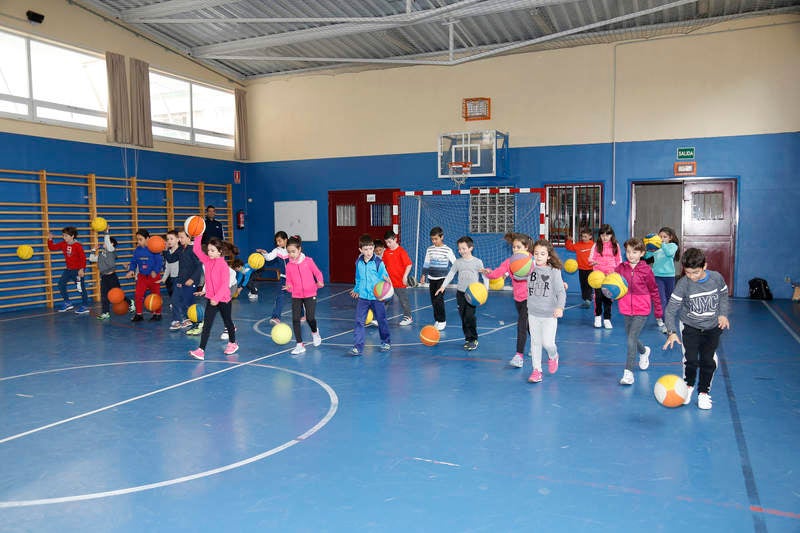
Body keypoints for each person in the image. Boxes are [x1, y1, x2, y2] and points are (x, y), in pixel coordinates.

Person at [662, 248, 730, 410]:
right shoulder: (683, 284)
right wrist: (671, 332)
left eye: (696, 272)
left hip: (712, 327)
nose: (691, 276)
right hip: (690, 326)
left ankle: (704, 393)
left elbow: (723, 296)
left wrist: (723, 314)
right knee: (691, 359)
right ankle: (689, 386)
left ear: (704, 266)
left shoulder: (716, 278)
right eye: (688, 272)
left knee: (707, 361)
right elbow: (671, 309)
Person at [615, 238, 663, 385]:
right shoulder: (621, 268)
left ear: (642, 253)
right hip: (626, 308)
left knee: (630, 340)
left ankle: (628, 373)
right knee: (632, 337)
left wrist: (658, 311)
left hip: (642, 309)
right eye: (628, 251)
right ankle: (644, 351)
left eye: (635, 252)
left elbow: (654, 290)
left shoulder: (646, 270)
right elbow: (613, 284)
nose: (631, 255)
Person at [484, 233, 534, 367]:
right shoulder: (510, 261)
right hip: (518, 298)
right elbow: (497, 273)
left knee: (521, 325)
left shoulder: (532, 261)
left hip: (531, 298)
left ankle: (519, 356)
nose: (515, 250)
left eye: (519, 247)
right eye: (514, 247)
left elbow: (545, 273)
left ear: (526, 247)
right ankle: (536, 345)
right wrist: (488, 273)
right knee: (529, 325)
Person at [189, 232, 239, 359]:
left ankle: (233, 343)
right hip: (211, 299)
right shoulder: (207, 260)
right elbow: (196, 250)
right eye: (209, 250)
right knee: (207, 325)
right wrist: (198, 235)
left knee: (228, 322)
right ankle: (201, 350)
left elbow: (224, 285)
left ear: (219, 252)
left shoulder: (223, 266)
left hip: (223, 299)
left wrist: (216, 298)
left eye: (212, 250)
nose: (209, 252)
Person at [436, 236, 489, 351]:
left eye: (464, 248)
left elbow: (484, 276)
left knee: (470, 316)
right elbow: (451, 274)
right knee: (463, 317)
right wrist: (443, 286)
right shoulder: (458, 262)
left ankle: (473, 339)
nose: (461, 251)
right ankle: (467, 338)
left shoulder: (477, 262)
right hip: (460, 293)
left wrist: (486, 290)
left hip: (472, 295)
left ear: (471, 248)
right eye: (459, 249)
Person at [526, 239, 566, 383]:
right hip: (533, 313)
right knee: (535, 343)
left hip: (549, 314)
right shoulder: (529, 269)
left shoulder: (554, 271)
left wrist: (559, 307)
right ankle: (537, 370)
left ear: (548, 256)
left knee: (548, 343)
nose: (539, 256)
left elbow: (561, 292)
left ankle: (553, 356)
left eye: (542, 254)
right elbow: (517, 276)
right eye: (536, 253)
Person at [349, 234, 391, 355]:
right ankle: (358, 346)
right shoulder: (359, 262)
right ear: (360, 250)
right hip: (363, 297)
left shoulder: (378, 263)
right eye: (366, 249)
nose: (369, 252)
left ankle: (385, 341)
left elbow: (385, 277)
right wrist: (357, 289)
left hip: (376, 297)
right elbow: (358, 278)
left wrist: (387, 282)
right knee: (359, 321)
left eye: (371, 249)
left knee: (381, 320)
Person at [284, 236, 324, 355]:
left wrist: (320, 281)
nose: (291, 254)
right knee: (295, 319)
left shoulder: (308, 261)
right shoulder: (289, 266)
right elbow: (289, 280)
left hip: (310, 293)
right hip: (296, 295)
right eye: (289, 252)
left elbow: (317, 272)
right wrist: (289, 287)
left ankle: (315, 332)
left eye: (293, 251)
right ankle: (299, 344)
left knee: (310, 318)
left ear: (299, 249)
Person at [420, 226, 457, 331]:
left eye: (436, 239)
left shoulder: (447, 250)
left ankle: (442, 320)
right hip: (432, 278)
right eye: (432, 239)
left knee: (438, 300)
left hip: (442, 279)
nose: (434, 241)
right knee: (433, 300)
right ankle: (437, 319)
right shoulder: (429, 249)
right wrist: (423, 275)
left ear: (442, 237)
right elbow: (426, 263)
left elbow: (455, 263)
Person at [47, 226, 91, 314]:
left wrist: (82, 269)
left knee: (81, 288)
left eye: (66, 236)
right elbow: (52, 248)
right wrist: (50, 240)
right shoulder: (63, 244)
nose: (64, 238)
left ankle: (85, 306)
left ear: (72, 236)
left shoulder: (78, 246)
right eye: (63, 236)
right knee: (61, 284)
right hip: (68, 270)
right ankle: (67, 302)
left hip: (77, 271)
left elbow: (83, 258)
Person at [646, 226, 680, 334]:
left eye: (664, 237)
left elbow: (669, 254)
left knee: (669, 299)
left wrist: (662, 244)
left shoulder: (672, 246)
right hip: (657, 276)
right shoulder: (657, 247)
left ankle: (664, 316)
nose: (662, 239)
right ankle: (666, 323)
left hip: (669, 276)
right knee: (661, 300)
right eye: (660, 237)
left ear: (670, 238)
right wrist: (647, 247)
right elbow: (647, 256)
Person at [88, 227, 128, 320]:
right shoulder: (101, 254)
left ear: (111, 244)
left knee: (118, 294)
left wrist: (106, 232)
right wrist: (93, 250)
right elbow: (91, 259)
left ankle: (130, 302)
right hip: (104, 277)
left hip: (112, 276)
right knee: (104, 296)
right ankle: (105, 313)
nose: (103, 244)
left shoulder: (111, 251)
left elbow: (107, 242)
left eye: (106, 242)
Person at [125, 229, 164, 322]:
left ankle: (157, 314)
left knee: (156, 295)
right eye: (137, 239)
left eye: (140, 239)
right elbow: (134, 262)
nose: (138, 241)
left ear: (147, 239)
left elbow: (159, 262)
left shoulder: (154, 249)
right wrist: (131, 270)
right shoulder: (137, 250)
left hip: (153, 277)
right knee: (138, 295)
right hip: (142, 277)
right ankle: (139, 314)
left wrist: (155, 271)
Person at [589, 224, 622, 329]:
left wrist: (617, 272)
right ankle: (598, 317)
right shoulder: (596, 245)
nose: (605, 237)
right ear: (599, 236)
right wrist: (593, 262)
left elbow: (618, 260)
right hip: (598, 276)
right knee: (598, 297)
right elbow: (590, 259)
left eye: (607, 235)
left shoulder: (615, 245)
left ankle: (607, 319)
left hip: (610, 276)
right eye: (602, 235)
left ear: (611, 235)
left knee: (608, 297)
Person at [171, 229, 202, 331]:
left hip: (190, 281)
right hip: (180, 280)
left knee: (187, 301)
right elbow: (171, 259)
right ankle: (177, 320)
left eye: (182, 237)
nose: (180, 240)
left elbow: (199, 267)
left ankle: (190, 318)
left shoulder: (194, 250)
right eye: (178, 238)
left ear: (189, 238)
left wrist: (192, 279)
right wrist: (165, 249)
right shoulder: (180, 249)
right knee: (175, 299)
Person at [382, 230, 414, 326]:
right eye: (386, 242)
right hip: (389, 282)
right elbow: (383, 266)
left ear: (395, 239)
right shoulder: (386, 252)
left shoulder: (401, 251)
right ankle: (380, 318)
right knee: (385, 300)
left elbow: (409, 264)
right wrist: (384, 277)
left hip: (399, 282)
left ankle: (408, 317)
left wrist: (405, 276)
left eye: (390, 242)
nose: (388, 244)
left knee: (403, 300)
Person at [257, 230, 289, 325]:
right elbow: (269, 258)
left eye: (280, 241)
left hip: (294, 279)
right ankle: (276, 317)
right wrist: (264, 253)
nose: (278, 243)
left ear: (286, 240)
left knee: (297, 298)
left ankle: (302, 315)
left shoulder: (292, 249)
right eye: (277, 241)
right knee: (280, 297)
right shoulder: (277, 250)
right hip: (283, 278)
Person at [565, 227, 595, 308]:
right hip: (581, 269)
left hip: (590, 269)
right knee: (583, 285)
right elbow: (569, 247)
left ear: (590, 236)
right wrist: (569, 240)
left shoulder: (593, 245)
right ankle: (585, 299)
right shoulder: (579, 245)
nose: (583, 238)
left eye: (585, 236)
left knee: (589, 285)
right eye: (582, 236)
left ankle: (588, 300)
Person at [161, 230, 180, 300]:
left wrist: (165, 250)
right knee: (171, 291)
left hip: (179, 277)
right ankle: (174, 302)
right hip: (171, 276)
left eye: (171, 239)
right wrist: (164, 277)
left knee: (178, 294)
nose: (169, 241)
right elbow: (167, 265)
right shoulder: (168, 251)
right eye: (168, 239)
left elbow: (171, 259)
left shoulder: (179, 250)